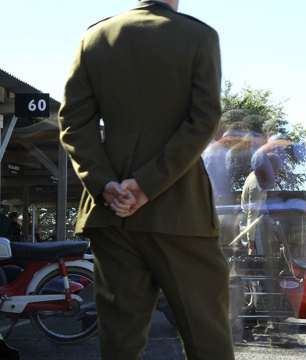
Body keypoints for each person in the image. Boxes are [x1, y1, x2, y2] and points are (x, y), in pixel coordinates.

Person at [57, 1, 233, 359]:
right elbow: (203, 120)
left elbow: (74, 124)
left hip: (110, 212)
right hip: (181, 213)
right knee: (207, 340)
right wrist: (146, 184)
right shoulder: (199, 36)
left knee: (120, 345)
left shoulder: (94, 37)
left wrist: (106, 183)